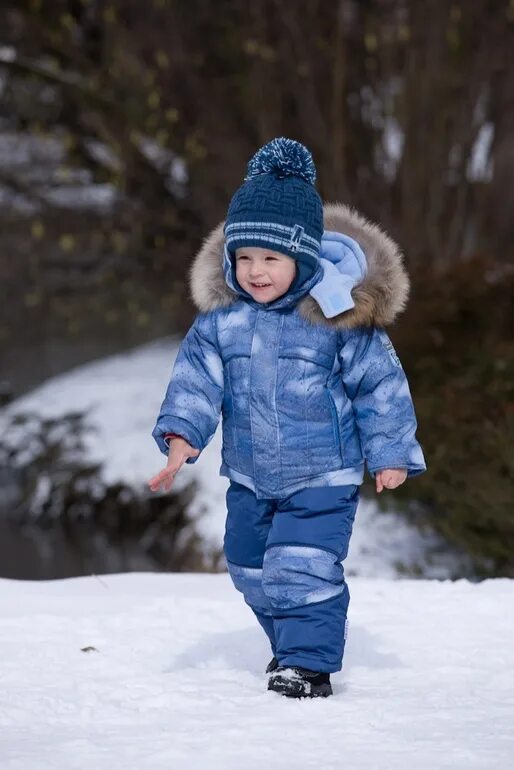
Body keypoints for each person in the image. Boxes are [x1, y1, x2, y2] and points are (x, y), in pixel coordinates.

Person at [148, 137, 426, 699]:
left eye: (270, 258)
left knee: (301, 566)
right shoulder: (222, 323)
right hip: (250, 474)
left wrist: (391, 451)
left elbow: (380, 385)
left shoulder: (336, 316)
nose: (254, 271)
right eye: (244, 257)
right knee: (251, 566)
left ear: (303, 257)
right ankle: (291, 645)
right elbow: (197, 380)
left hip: (324, 473)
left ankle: (307, 666)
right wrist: (182, 436)